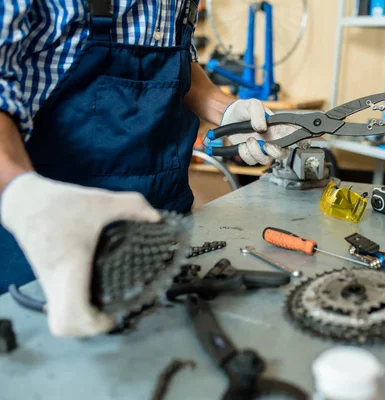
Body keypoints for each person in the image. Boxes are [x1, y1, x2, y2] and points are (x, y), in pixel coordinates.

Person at [0, 0, 298, 338]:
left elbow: (173, 61)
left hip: (164, 244)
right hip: (45, 249)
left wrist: (227, 111)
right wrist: (24, 197)